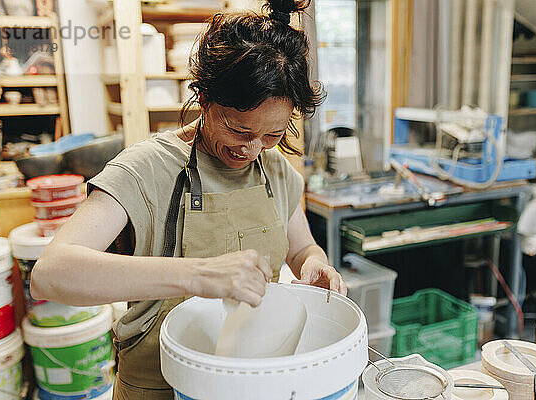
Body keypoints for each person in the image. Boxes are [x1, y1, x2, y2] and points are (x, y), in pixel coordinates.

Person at [30, 0, 346, 398]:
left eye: (272, 135)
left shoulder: (276, 171)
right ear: (204, 96)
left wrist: (315, 264)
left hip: (248, 387)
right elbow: (49, 274)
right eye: (238, 128)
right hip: (158, 387)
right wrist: (200, 275)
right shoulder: (147, 169)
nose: (251, 149)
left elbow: (302, 247)